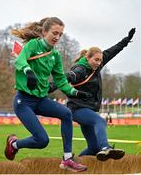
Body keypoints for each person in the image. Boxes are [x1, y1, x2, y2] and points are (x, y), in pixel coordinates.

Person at [4, 17, 90, 172]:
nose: (57, 37)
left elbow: (61, 80)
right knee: (42, 140)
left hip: (41, 100)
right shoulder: (32, 45)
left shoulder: (55, 55)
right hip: (23, 102)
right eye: (55, 33)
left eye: (60, 34)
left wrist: (75, 92)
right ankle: (14, 144)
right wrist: (28, 71)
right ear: (44, 32)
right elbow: (19, 61)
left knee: (66, 113)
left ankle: (67, 159)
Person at [49, 28, 136, 161]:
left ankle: (73, 163)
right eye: (96, 60)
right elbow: (67, 77)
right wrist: (51, 86)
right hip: (77, 109)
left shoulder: (98, 64)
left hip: (88, 110)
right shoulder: (80, 69)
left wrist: (126, 40)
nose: (99, 63)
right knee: (100, 121)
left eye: (100, 60)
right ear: (87, 58)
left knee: (94, 148)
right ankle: (106, 147)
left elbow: (113, 50)